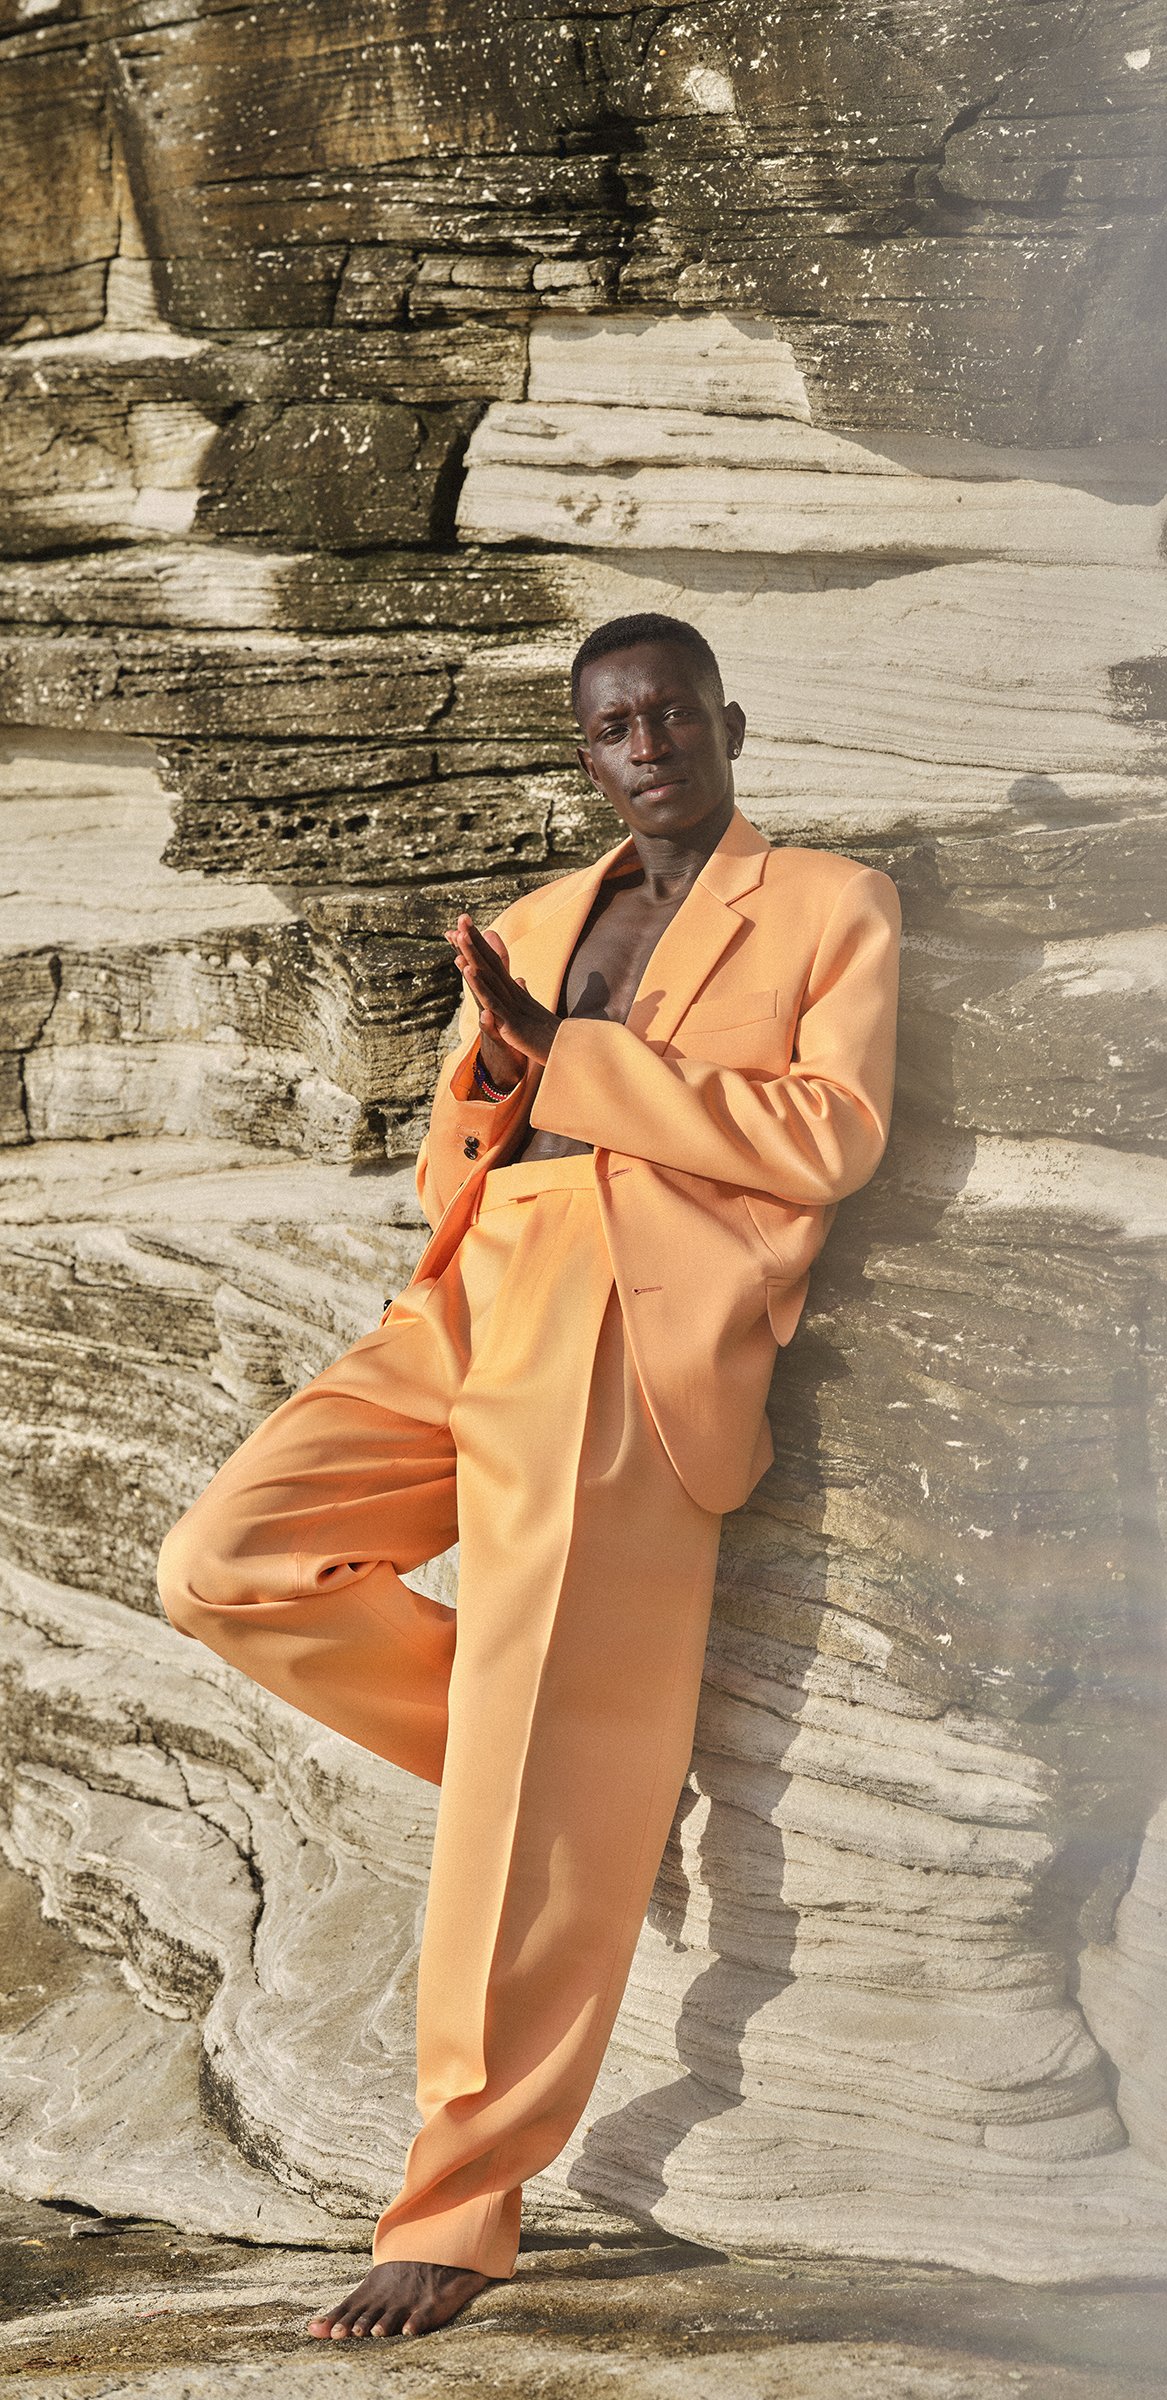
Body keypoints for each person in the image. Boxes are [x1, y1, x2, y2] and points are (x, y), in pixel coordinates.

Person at [155, 612, 902, 2339]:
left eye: (672, 715)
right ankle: (583, 1793)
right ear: (587, 753)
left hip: (630, 1310)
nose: (648, 745)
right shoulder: (548, 921)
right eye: (614, 726)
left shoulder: (827, 904)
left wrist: (568, 1060)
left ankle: (460, 2203)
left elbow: (829, 1135)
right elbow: (445, 1165)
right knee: (222, 1565)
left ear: (729, 722)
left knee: (526, 1768)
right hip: (482, 1281)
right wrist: (498, 1065)